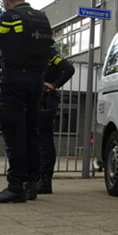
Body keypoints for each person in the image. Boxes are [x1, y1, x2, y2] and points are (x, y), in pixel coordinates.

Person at [0, 0, 54, 203]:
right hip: (37, 81)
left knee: (14, 133)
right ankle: (31, 184)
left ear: (6, 2)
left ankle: (15, 186)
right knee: (31, 133)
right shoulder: (42, 18)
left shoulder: (10, 16)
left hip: (14, 81)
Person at [37, 51, 75, 194]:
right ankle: (38, 179)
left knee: (43, 140)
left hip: (45, 98)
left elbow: (69, 69)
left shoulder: (51, 55)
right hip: (38, 97)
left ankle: (43, 180)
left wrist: (55, 85)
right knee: (37, 139)